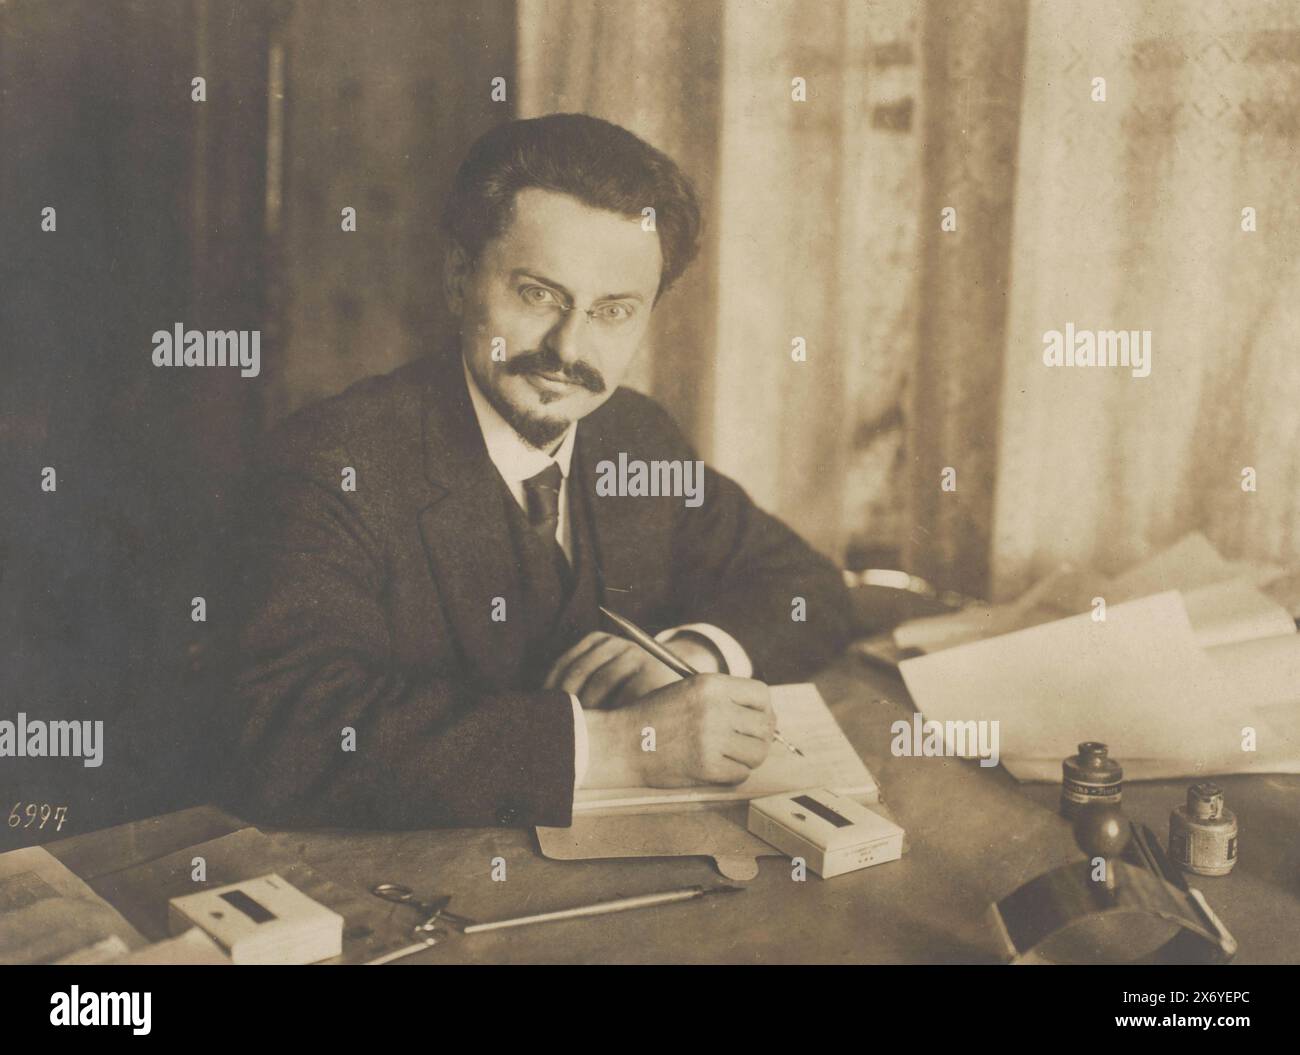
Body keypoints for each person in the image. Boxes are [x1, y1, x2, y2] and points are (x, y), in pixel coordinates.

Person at [230, 113, 856, 828]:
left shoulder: (635, 439)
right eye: (538, 295)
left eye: (613, 311)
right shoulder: (333, 463)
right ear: (459, 279)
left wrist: (686, 655)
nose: (569, 347)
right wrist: (618, 745)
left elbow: (808, 588)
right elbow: (288, 736)